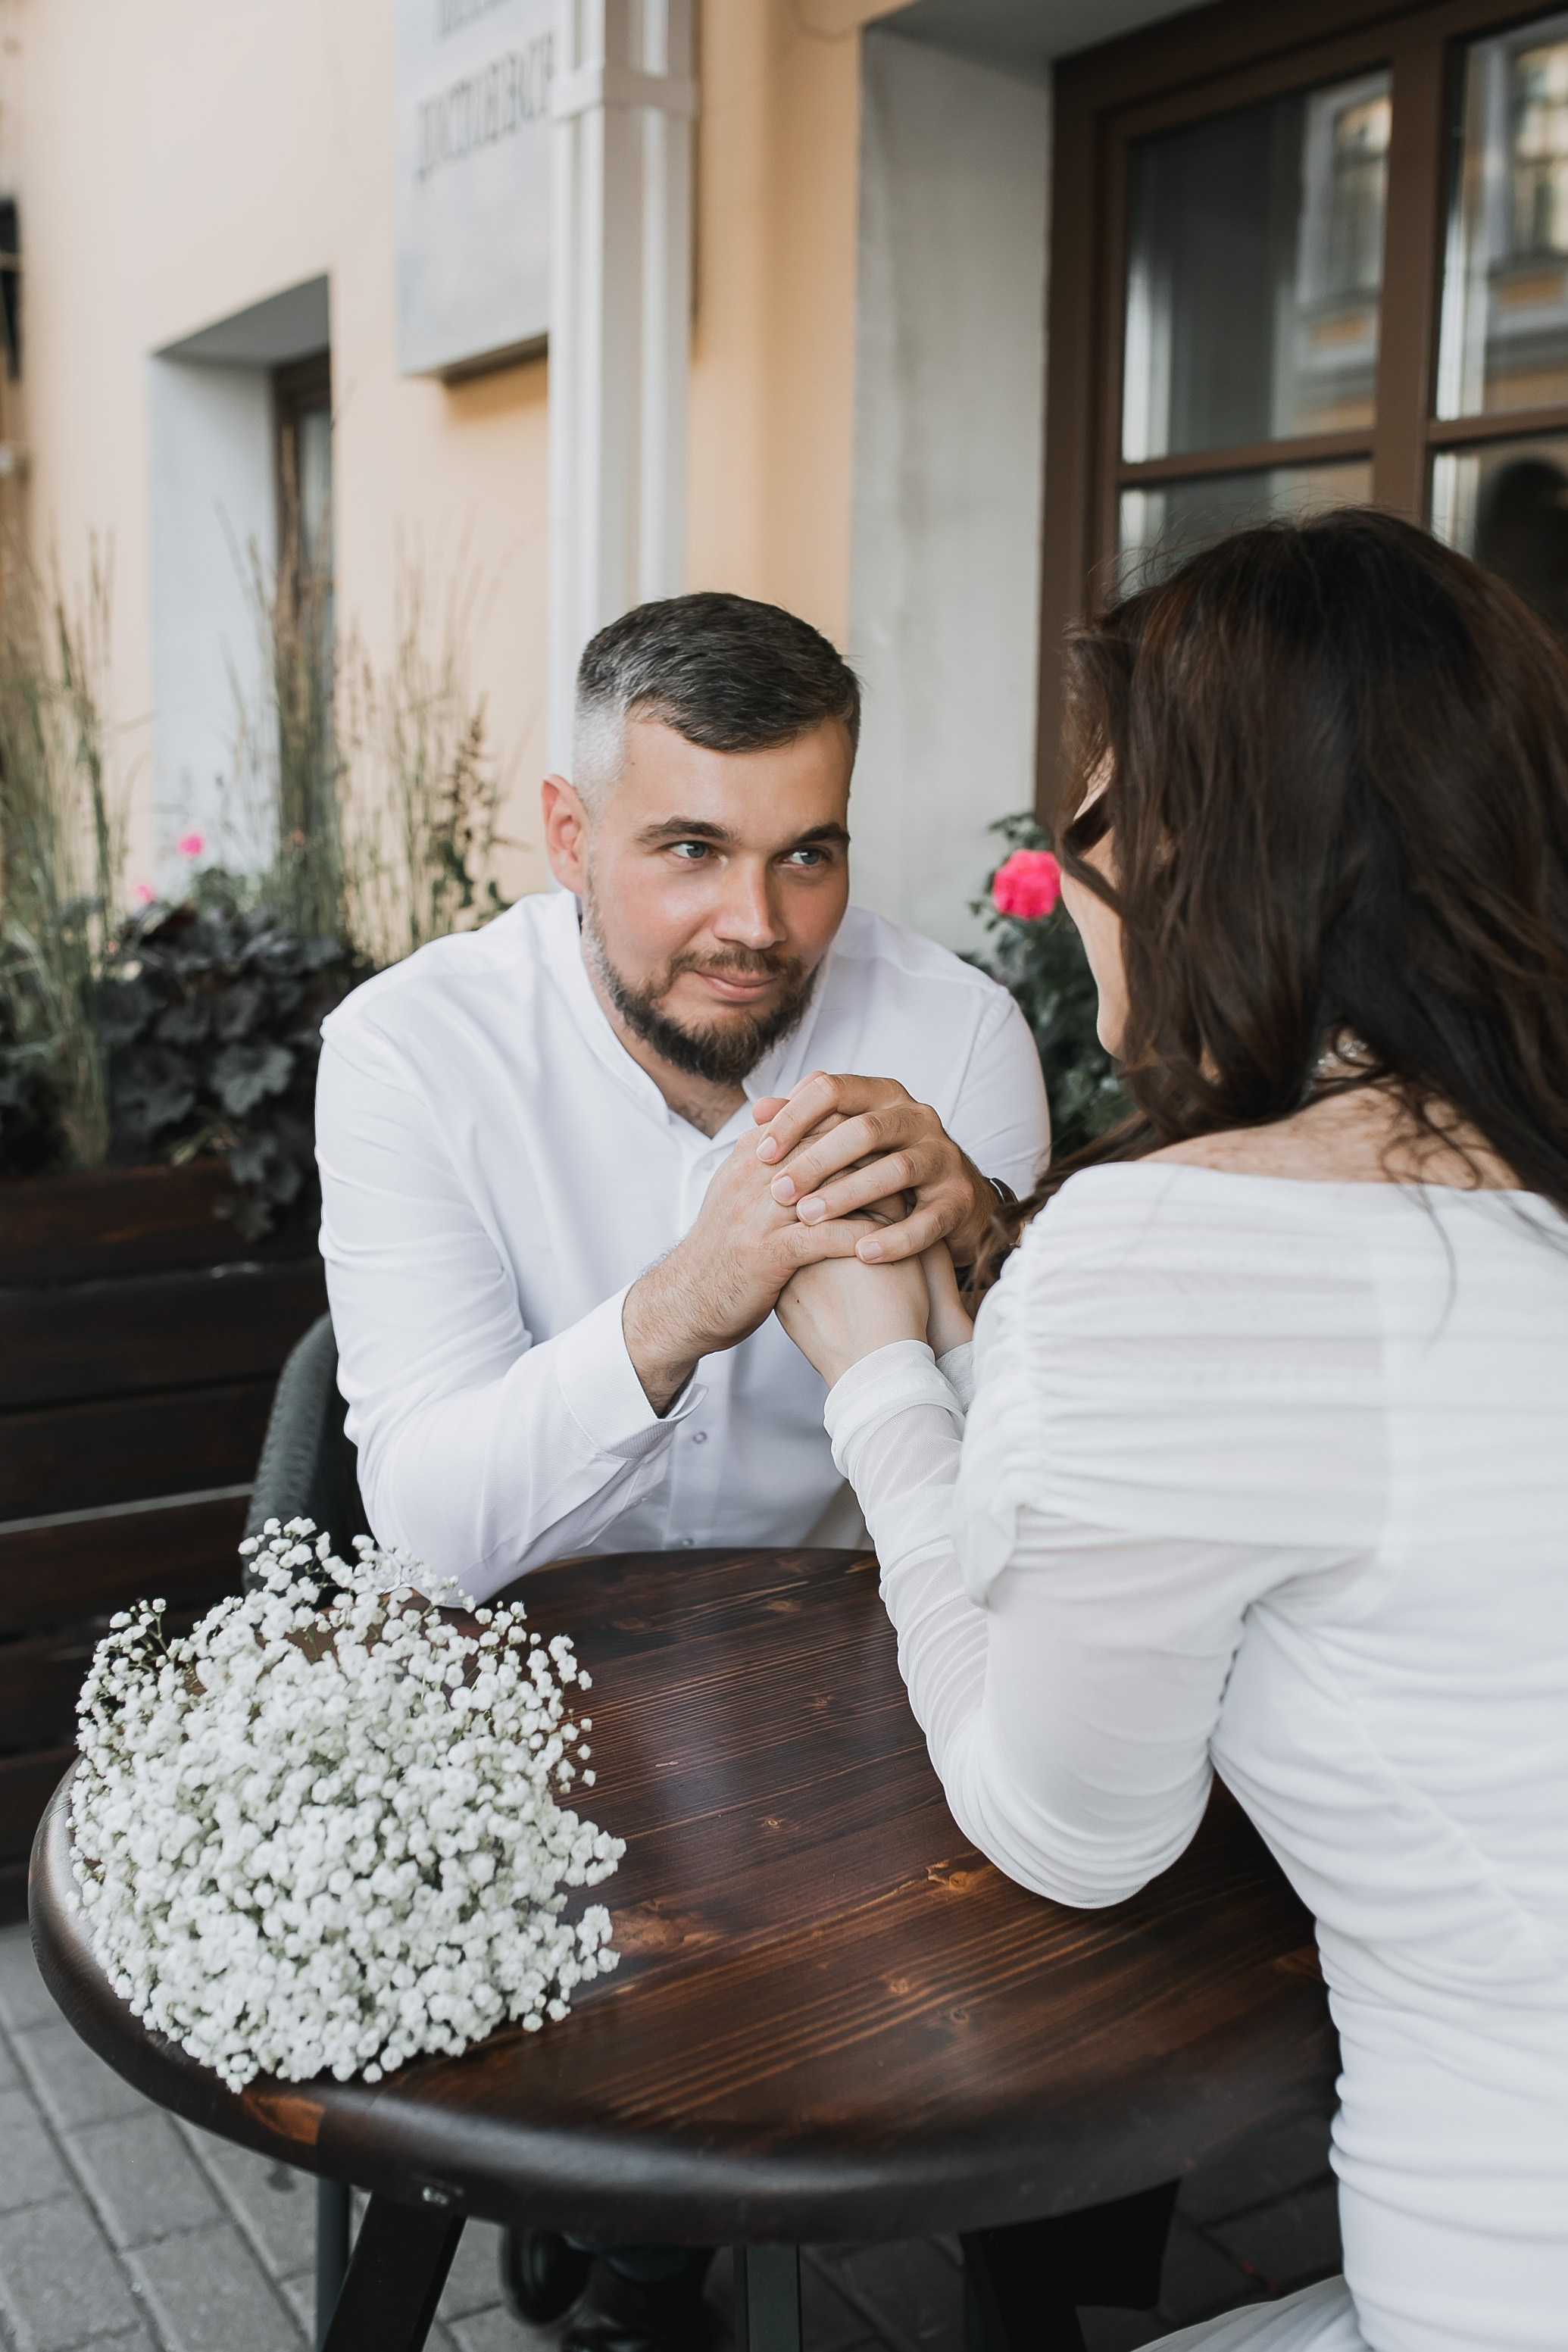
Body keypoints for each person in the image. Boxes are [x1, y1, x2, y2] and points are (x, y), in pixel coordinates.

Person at [773, 510, 1568, 2352]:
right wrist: (1000, 1339)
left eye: (1097, 811)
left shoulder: (1189, 1239)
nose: (1074, 860)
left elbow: (1070, 1828)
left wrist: (878, 1375)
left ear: (1215, 856)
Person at [314, 590, 1053, 2352]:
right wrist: (679, 1303)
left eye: (811, 855)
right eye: (692, 851)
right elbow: (424, 1523)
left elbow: (1044, 1485)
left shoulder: (953, 1041)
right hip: (523, 1696)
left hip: (869, 1701)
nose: (761, 924)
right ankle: (633, 2255)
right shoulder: (412, 1053)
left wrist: (993, 1256)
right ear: (567, 832)